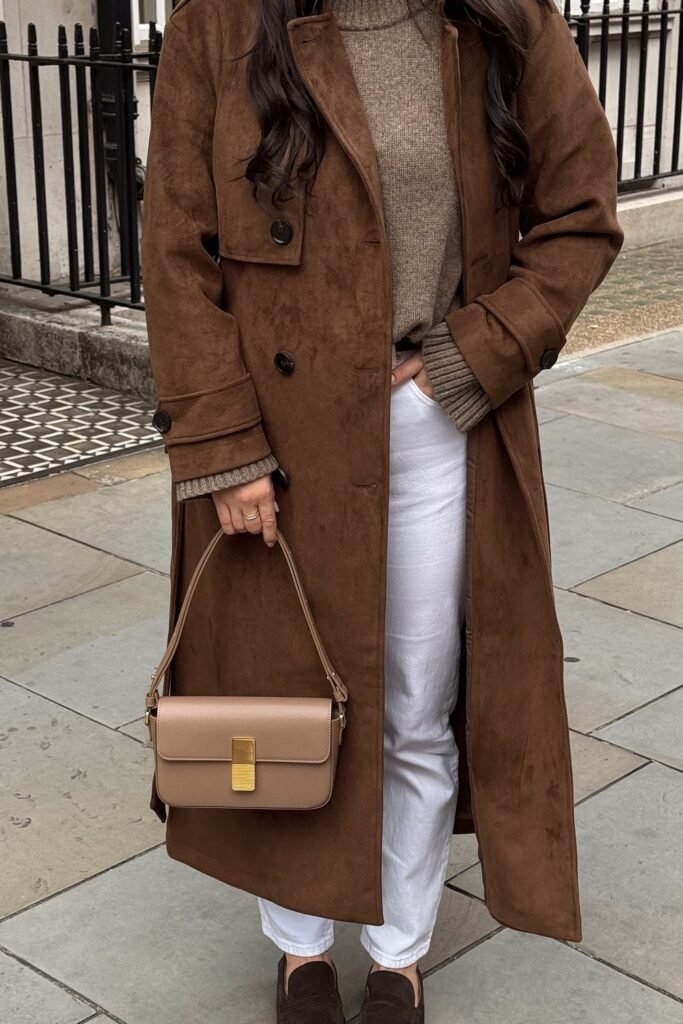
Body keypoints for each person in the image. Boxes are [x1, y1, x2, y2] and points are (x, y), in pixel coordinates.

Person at [140, 1, 624, 1021]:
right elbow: (177, 250)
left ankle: (397, 953)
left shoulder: (504, 20)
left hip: (435, 419)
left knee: (413, 702)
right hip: (275, 438)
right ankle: (300, 949)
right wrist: (224, 446)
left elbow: (580, 214)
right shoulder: (217, 23)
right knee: (279, 707)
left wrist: (471, 356)